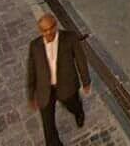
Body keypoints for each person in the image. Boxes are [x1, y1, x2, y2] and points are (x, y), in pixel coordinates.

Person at [27, 14, 91, 146]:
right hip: (45, 89)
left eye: (51, 28)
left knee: (72, 105)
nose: (48, 32)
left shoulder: (70, 38)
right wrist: (31, 95)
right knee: (48, 125)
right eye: (44, 30)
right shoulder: (35, 46)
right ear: (40, 31)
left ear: (56, 26)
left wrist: (86, 81)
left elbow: (81, 60)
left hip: (66, 85)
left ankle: (78, 111)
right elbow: (31, 71)